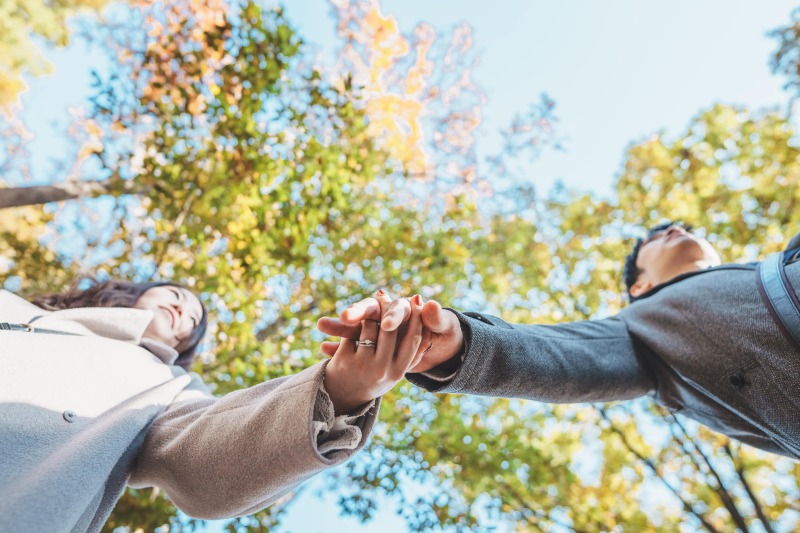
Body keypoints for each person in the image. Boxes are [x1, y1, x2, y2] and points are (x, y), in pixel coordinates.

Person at [319, 223, 800, 459]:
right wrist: (457, 344)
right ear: (639, 288)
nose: (676, 229)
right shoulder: (643, 327)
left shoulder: (778, 261)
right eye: (656, 237)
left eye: (687, 229)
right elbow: (559, 355)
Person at [0, 277, 425, 532]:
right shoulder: (18, 308)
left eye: (190, 323)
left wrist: (340, 391)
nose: (183, 310)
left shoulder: (164, 385)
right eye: (175, 295)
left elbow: (207, 457)